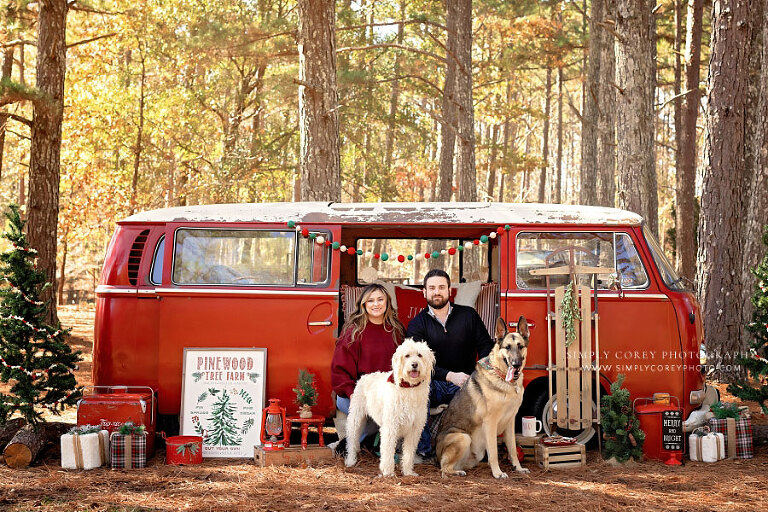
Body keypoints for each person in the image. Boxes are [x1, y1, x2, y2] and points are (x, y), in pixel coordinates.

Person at [406, 268, 494, 457]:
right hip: (434, 383)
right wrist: (449, 375)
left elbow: (487, 347)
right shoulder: (417, 324)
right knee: (416, 390)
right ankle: (425, 452)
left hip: (467, 382)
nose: (436, 292)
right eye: (431, 288)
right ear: (424, 292)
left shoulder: (468, 315)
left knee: (488, 393)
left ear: (449, 290)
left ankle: (479, 450)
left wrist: (477, 376)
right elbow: (416, 364)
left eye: (441, 287)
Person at [331, 283, 405, 451]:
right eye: (370, 300)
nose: (376, 304)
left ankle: (376, 446)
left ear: (387, 302)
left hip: (387, 394)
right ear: (363, 304)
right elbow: (339, 372)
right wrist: (354, 396)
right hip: (353, 394)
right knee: (374, 414)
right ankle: (350, 446)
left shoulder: (396, 330)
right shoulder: (353, 332)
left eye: (380, 299)